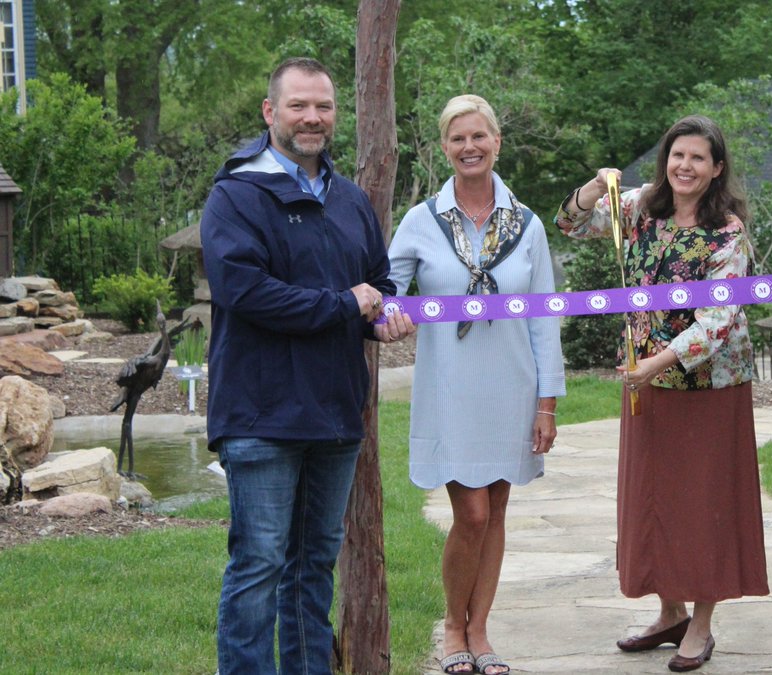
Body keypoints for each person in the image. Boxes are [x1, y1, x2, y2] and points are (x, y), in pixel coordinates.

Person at [201, 57, 409, 674]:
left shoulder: (349, 200)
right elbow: (247, 292)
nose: (312, 118)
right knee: (259, 565)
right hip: (261, 415)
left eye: (322, 106)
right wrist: (345, 305)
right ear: (271, 112)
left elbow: (379, 281)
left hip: (335, 414)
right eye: (298, 105)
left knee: (314, 569)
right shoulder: (236, 194)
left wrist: (384, 313)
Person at [557, 115, 768, 673]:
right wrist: (591, 187)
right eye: (678, 155)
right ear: (665, 160)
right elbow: (570, 224)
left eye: (699, 158)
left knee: (705, 504)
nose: (685, 166)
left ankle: (700, 622)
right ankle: (668, 612)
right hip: (646, 383)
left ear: (717, 168)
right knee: (653, 500)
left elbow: (721, 316)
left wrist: (659, 361)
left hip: (707, 385)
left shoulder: (727, 232)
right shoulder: (639, 208)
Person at [386, 94, 565, 675]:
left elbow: (544, 315)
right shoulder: (421, 220)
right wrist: (392, 312)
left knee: (499, 509)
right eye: (458, 138)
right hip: (451, 388)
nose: (470, 147)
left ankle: (480, 632)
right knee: (473, 515)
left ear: (497, 144)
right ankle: (452, 626)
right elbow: (388, 289)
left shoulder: (528, 225)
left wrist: (547, 403)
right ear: (445, 147)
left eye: (479, 137)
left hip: (513, 385)